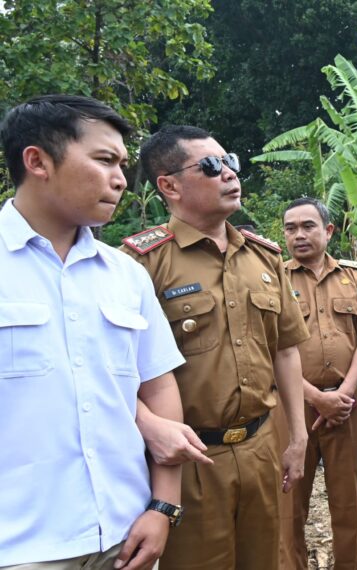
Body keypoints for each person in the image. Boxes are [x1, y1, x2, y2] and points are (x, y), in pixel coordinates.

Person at [0, 95, 187, 569]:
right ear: (37, 161)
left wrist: (163, 507)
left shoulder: (126, 276)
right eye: (105, 160)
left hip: (123, 538)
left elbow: (158, 385)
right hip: (21, 547)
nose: (121, 179)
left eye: (122, 164)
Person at [124, 125, 311, 569]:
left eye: (230, 162)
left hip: (261, 447)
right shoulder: (141, 263)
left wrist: (298, 436)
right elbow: (115, 368)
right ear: (168, 185)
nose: (228, 173)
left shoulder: (264, 258)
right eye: (210, 166)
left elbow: (285, 349)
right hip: (189, 461)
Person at [279, 197, 357, 569]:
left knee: (348, 504)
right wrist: (313, 397)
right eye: (291, 228)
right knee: (289, 506)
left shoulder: (354, 277)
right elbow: (270, 349)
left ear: (328, 230)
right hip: (294, 409)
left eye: (308, 226)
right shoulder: (274, 279)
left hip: (347, 408)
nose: (299, 235)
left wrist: (342, 394)